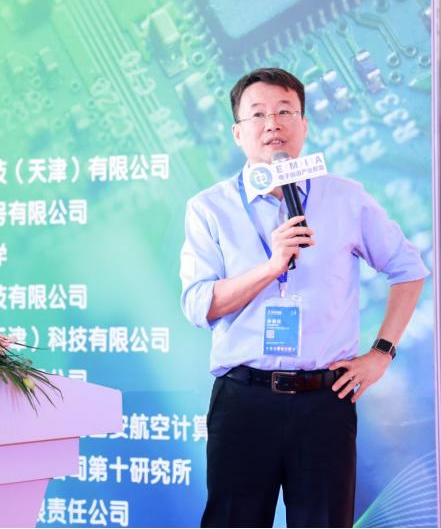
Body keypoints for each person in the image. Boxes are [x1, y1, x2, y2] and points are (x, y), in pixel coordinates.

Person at [179, 67, 428, 528]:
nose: (272, 124)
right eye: (257, 114)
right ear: (237, 132)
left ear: (304, 125)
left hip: (324, 401)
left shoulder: (345, 197)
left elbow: (409, 270)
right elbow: (199, 305)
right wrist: (272, 266)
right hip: (243, 399)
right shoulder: (209, 208)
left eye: (284, 111)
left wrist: (381, 353)